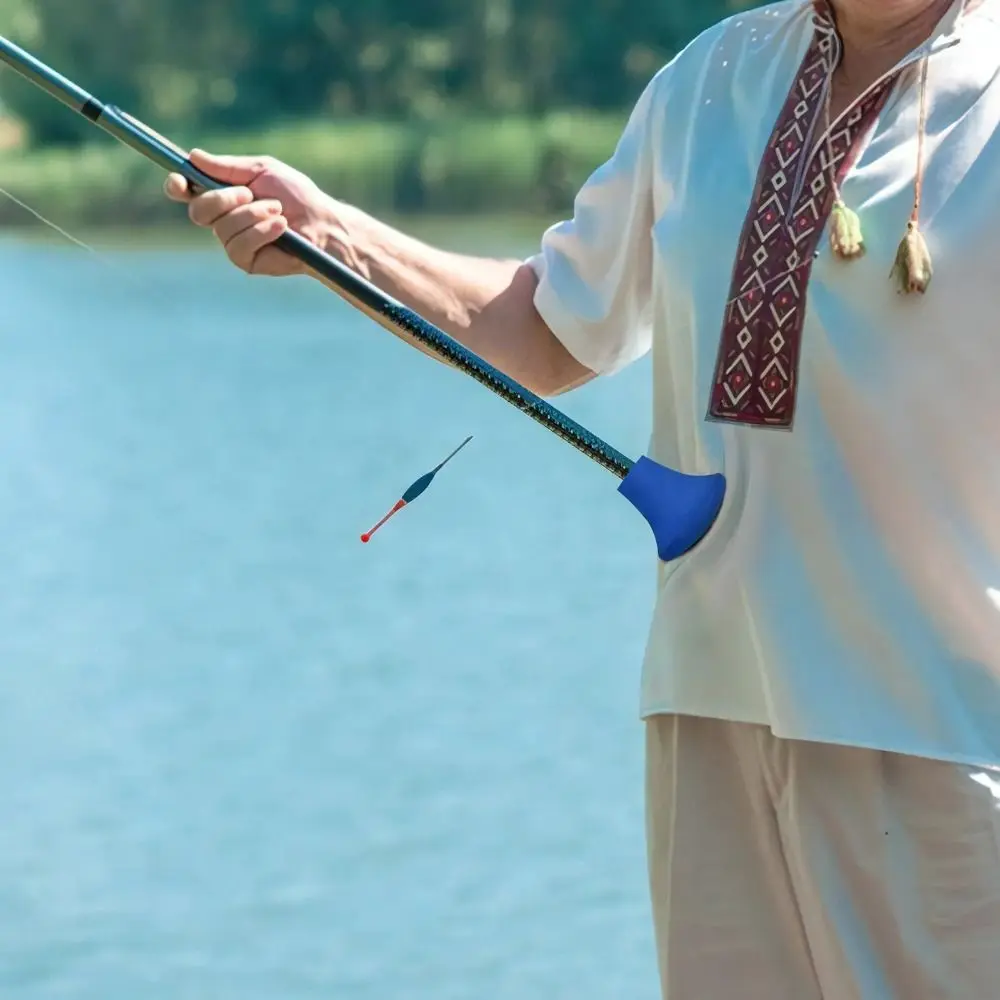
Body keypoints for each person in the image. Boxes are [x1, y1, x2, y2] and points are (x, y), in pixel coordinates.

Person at [166, 0, 1000, 995]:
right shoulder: (707, 79)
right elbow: (549, 331)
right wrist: (327, 232)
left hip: (942, 729)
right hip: (710, 711)